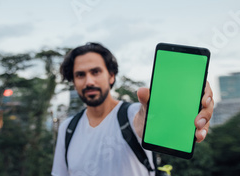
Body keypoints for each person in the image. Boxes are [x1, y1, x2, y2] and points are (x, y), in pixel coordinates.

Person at [51, 42, 214, 176]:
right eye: (80, 75)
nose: (89, 81)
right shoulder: (67, 128)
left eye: (96, 72)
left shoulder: (130, 115)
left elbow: (142, 121)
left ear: (111, 76)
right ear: (73, 81)